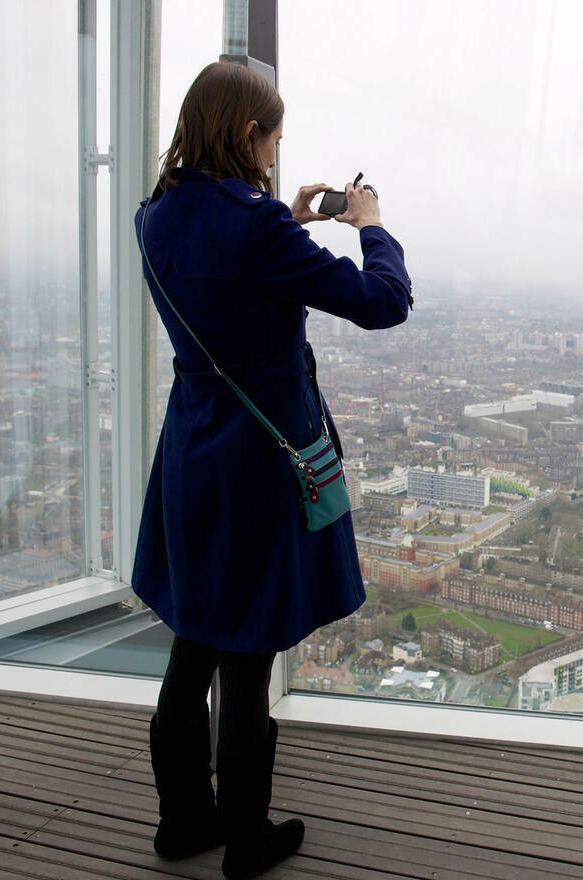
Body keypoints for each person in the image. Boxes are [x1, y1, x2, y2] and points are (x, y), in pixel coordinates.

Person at [132, 61, 411, 880]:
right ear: (247, 135)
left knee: (193, 643)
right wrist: (368, 224)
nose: (275, 157)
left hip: (192, 450)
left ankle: (183, 819)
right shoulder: (257, 228)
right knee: (248, 655)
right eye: (273, 141)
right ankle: (246, 840)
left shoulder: (155, 215)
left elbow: (223, 276)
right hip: (258, 465)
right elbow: (383, 301)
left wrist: (285, 222)